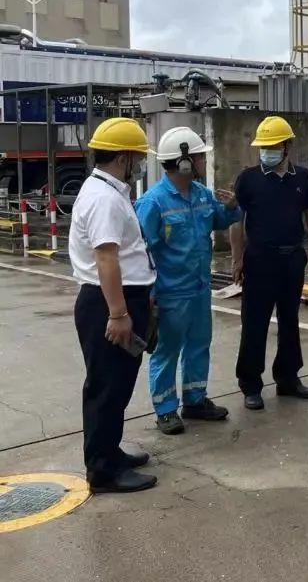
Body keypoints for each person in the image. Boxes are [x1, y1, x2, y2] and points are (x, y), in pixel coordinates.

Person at [135, 127, 243, 436]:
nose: (203, 162)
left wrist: (232, 207)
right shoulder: (153, 203)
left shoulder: (201, 194)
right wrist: (149, 293)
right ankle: (166, 409)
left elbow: (220, 220)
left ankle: (195, 400)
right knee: (167, 351)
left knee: (199, 345)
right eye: (199, 157)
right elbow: (141, 252)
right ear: (184, 162)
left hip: (199, 288)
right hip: (170, 293)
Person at [69, 117, 157, 494]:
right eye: (138, 157)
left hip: (117, 297)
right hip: (107, 302)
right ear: (123, 158)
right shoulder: (104, 198)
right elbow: (106, 257)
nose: (140, 164)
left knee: (117, 386)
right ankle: (103, 471)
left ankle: (110, 451)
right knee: (106, 388)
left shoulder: (107, 190)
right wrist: (118, 313)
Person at [230, 116, 308, 410]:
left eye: (273, 146)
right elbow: (236, 220)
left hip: (292, 259)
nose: (267, 152)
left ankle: (288, 377)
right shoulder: (248, 179)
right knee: (254, 323)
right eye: (264, 147)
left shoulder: (302, 177)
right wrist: (237, 258)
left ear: (287, 146)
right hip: (259, 259)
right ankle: (250, 385)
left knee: (289, 320)